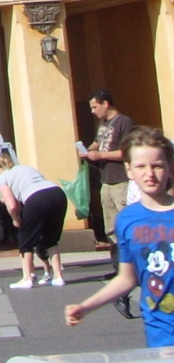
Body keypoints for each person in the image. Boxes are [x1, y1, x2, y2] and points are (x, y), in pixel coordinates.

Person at [69, 126, 174, 347]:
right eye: (141, 166)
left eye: (157, 166)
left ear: (170, 167)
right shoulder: (127, 220)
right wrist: (86, 307)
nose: (149, 174)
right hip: (161, 332)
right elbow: (127, 278)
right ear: (129, 170)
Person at [0, 151, 69, 288]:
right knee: (51, 238)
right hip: (57, 193)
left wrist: (15, 219)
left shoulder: (2, 178)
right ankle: (58, 277)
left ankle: (27, 278)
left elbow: (11, 205)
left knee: (25, 239)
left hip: (35, 198)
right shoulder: (27, 168)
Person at [85, 90, 139, 254]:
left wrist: (101, 155)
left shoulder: (124, 122)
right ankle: (118, 265)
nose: (93, 111)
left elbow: (127, 151)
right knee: (111, 226)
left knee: (125, 221)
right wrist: (87, 150)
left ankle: (132, 262)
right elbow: (97, 142)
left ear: (105, 104)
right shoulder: (102, 124)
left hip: (121, 180)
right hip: (106, 180)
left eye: (95, 107)